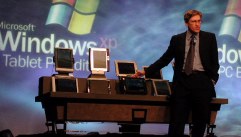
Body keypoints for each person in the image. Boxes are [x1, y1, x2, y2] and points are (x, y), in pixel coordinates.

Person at [133, 9, 219, 137]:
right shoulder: (177, 39)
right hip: (182, 83)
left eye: (199, 21)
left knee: (200, 122)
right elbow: (165, 59)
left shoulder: (209, 38)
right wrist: (146, 72)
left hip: (202, 83)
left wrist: (212, 80)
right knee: (176, 122)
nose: (197, 24)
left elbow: (215, 62)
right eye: (193, 21)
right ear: (186, 23)